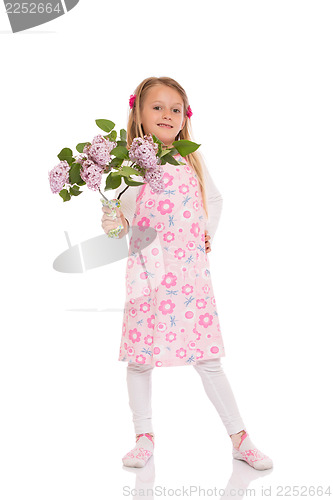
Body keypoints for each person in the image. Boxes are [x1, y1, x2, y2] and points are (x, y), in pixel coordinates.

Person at [101, 76, 273, 471]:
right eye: (157, 107)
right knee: (141, 359)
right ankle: (143, 437)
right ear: (139, 114)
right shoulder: (127, 166)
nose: (167, 114)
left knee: (208, 358)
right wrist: (111, 218)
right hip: (147, 276)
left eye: (175, 109)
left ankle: (240, 438)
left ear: (184, 118)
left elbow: (213, 197)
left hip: (190, 276)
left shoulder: (189, 157)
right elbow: (118, 227)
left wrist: (206, 236)